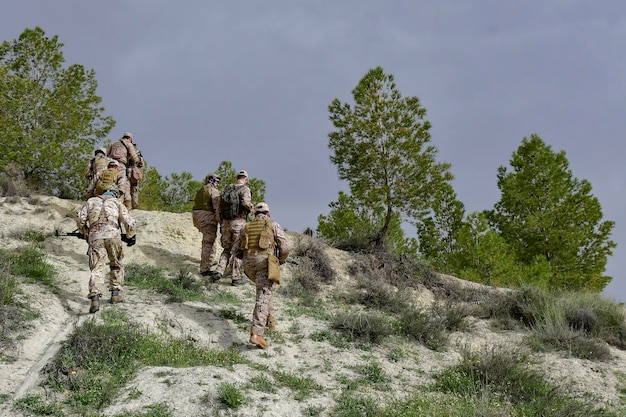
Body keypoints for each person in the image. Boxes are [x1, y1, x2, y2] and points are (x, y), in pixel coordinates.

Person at [232, 202, 289, 349]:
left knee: (264, 292)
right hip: (264, 263)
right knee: (263, 296)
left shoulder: (246, 226)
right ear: (268, 214)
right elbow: (285, 247)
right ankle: (257, 334)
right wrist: (280, 260)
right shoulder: (273, 224)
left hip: (248, 265)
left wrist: (247, 257)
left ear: (255, 214)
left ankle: (271, 320)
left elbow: (235, 249)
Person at [76, 184, 136, 314]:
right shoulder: (117, 202)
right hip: (113, 235)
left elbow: (80, 219)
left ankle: (95, 298)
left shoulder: (91, 201)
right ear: (115, 193)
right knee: (116, 264)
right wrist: (131, 235)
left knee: (97, 267)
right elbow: (129, 222)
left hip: (95, 236)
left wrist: (85, 232)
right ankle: (115, 294)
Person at [210, 170, 252, 286]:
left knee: (226, 249)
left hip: (225, 224)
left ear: (236, 177)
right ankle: (236, 278)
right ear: (246, 179)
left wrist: (220, 220)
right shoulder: (245, 189)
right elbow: (246, 203)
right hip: (238, 222)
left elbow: (218, 204)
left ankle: (218, 271)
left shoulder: (226, 188)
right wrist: (252, 208)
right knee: (238, 251)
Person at [192, 172, 221, 276]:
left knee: (210, 240)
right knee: (208, 243)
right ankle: (205, 269)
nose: (218, 184)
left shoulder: (201, 190)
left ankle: (210, 260)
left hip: (197, 217)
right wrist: (221, 221)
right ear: (212, 180)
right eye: (217, 181)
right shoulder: (213, 191)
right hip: (207, 217)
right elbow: (217, 208)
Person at [107, 132, 144, 209]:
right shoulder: (129, 144)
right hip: (121, 166)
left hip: (110, 166)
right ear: (130, 139)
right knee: (124, 186)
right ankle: (127, 207)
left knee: (109, 183)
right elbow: (134, 158)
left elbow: (107, 154)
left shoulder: (113, 143)